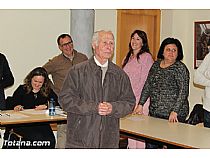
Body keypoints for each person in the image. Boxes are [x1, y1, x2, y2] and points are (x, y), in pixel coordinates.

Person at [58, 30, 136, 148]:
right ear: (94, 45)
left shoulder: (119, 74)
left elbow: (129, 102)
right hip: (81, 140)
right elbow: (65, 99)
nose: (109, 47)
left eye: (111, 43)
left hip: (108, 140)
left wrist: (113, 108)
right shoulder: (77, 71)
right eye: (105, 42)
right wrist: (94, 107)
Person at [136, 37, 190, 148]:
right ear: (162, 51)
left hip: (174, 116)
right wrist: (140, 104)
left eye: (174, 50)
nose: (171, 53)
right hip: (155, 114)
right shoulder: (156, 65)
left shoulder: (180, 68)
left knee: (172, 147)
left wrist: (175, 111)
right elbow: (148, 85)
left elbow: (183, 92)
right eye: (168, 49)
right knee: (151, 145)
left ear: (178, 53)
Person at [43, 33, 88, 148]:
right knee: (64, 133)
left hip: (82, 102)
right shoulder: (55, 61)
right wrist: (53, 89)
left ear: (72, 43)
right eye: (64, 45)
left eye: (69, 43)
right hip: (65, 103)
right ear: (60, 47)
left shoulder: (83, 58)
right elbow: (41, 73)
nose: (68, 47)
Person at [3, 67, 57, 149]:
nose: (37, 84)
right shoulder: (22, 89)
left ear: (44, 83)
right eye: (35, 81)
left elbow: (57, 101)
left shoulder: (47, 91)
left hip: (41, 123)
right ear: (30, 79)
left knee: (50, 140)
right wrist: (16, 106)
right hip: (23, 124)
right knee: (37, 139)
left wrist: (47, 105)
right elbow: (10, 102)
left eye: (40, 82)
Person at [122, 30, 153, 149]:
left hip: (141, 101)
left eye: (138, 39)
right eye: (133, 38)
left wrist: (139, 102)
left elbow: (146, 81)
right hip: (129, 100)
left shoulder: (146, 57)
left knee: (139, 136)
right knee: (131, 134)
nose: (134, 41)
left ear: (143, 43)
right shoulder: (127, 57)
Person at [194, 52, 210, 129]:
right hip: (208, 108)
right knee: (206, 139)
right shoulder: (209, 56)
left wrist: (206, 73)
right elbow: (196, 78)